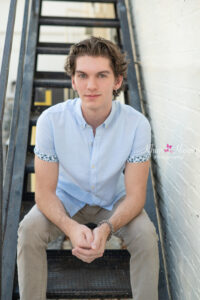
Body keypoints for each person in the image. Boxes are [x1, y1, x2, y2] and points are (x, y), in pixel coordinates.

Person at [17, 36, 159, 300]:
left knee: (146, 236)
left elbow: (137, 196)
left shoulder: (137, 125)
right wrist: (70, 228)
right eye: (82, 75)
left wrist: (105, 229)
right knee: (29, 229)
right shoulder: (51, 121)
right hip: (65, 200)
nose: (91, 85)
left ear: (117, 81)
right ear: (73, 80)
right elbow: (44, 194)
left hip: (114, 202)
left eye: (102, 75)